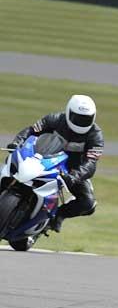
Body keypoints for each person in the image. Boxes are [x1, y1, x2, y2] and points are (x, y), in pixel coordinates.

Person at [6, 95, 104, 233]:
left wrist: (74, 176)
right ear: (68, 112)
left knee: (88, 203)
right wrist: (17, 142)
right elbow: (31, 130)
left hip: (71, 170)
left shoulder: (95, 135)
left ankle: (58, 215)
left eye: (85, 119)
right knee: (10, 165)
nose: (81, 122)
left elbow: (91, 163)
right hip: (43, 157)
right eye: (77, 117)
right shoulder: (55, 119)